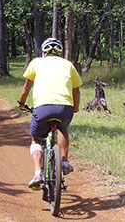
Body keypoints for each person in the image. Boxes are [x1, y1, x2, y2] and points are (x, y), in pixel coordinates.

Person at [18, 38, 82, 188]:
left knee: (36, 139)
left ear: (44, 51)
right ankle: (64, 162)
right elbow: (76, 90)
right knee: (62, 128)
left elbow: (27, 86)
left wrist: (21, 103)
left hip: (42, 108)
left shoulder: (36, 62)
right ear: (59, 52)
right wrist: (76, 107)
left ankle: (38, 173)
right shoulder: (69, 65)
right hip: (65, 108)